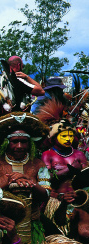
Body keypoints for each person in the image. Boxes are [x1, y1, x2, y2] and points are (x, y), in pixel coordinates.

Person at [0, 112, 51, 244]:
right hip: (3, 225)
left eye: (24, 141)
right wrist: (7, 184)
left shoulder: (37, 164)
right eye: (15, 141)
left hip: (32, 223)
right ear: (6, 142)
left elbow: (46, 195)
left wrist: (31, 182)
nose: (20, 146)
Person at [38, 99, 88, 234]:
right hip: (55, 200)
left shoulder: (78, 154)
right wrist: (67, 170)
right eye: (64, 135)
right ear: (54, 137)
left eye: (71, 135)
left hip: (77, 201)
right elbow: (46, 181)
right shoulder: (47, 155)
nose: (68, 139)